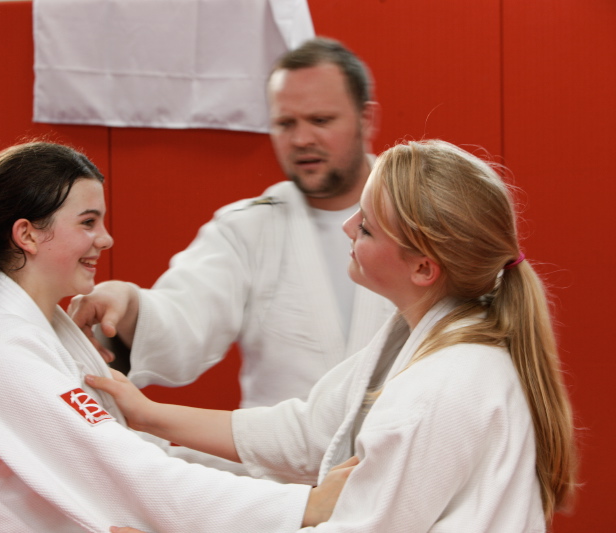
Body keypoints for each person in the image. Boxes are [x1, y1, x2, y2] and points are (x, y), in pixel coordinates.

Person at [85, 140, 578, 530]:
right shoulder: (421, 342)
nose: (346, 227)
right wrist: (148, 415)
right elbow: (304, 433)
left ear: (424, 268)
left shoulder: (438, 389)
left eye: (366, 228)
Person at [0, 141, 354, 532]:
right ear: (28, 235)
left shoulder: (47, 333)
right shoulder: (0, 351)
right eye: (87, 222)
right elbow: (135, 475)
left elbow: (144, 457)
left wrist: (290, 486)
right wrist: (304, 505)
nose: (106, 239)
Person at [71, 37, 394, 408]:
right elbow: (185, 320)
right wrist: (128, 306)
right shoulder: (246, 228)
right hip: (279, 463)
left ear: (366, 119)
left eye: (321, 120)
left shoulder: (429, 213)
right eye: (285, 123)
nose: (302, 139)